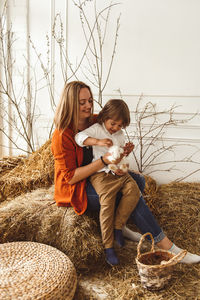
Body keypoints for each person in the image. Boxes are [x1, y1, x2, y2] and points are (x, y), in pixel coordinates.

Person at [51, 80, 200, 266]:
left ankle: (119, 224)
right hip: (75, 187)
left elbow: (113, 144)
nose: (88, 105)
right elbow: (71, 177)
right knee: (129, 193)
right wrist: (104, 161)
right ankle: (166, 245)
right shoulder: (62, 134)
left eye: (90, 100)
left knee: (138, 181)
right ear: (70, 103)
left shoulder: (97, 120)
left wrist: (121, 153)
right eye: (82, 102)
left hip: (98, 174)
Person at [75, 99, 141, 265]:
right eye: (113, 124)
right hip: (101, 173)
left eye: (120, 126)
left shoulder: (119, 134)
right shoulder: (97, 129)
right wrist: (97, 141)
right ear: (105, 117)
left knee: (134, 190)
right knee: (107, 204)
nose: (116, 128)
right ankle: (108, 246)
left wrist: (125, 151)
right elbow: (79, 137)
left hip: (117, 169)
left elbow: (118, 156)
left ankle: (118, 227)